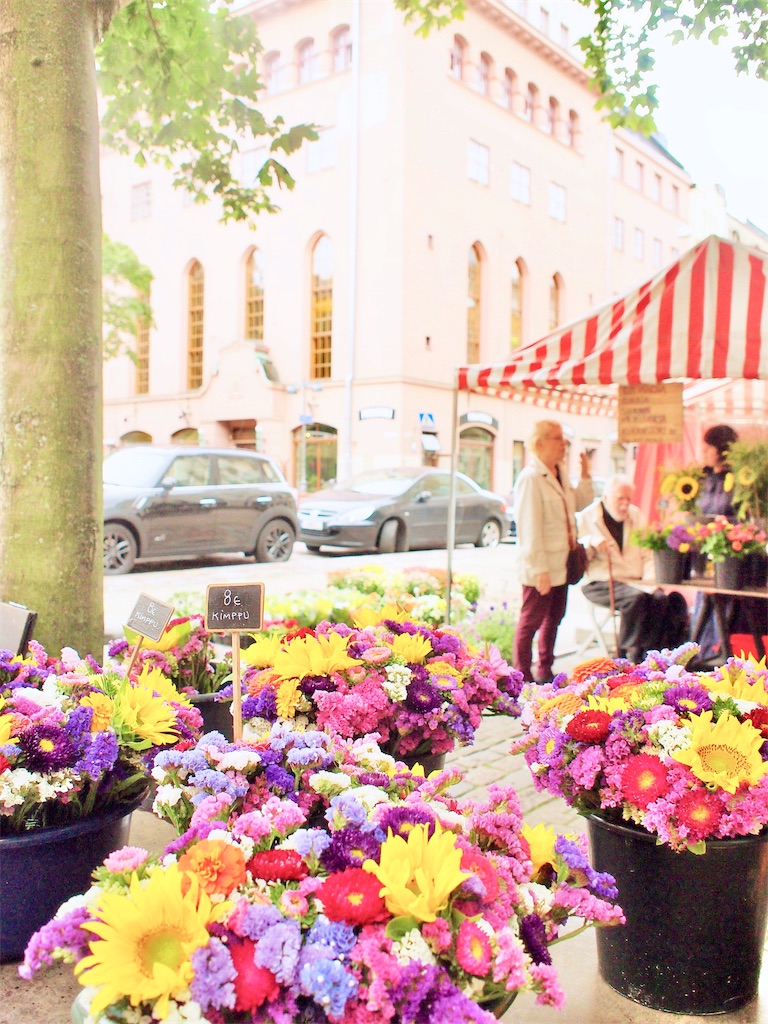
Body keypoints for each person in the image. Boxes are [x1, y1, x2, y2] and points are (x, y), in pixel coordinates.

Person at [513, 420, 594, 684]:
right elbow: (529, 529)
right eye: (558, 439)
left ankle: (545, 670)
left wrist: (585, 476)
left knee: (554, 618)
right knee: (531, 621)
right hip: (541, 566)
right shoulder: (531, 478)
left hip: (562, 563)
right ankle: (521, 677)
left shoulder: (558, 471)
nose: (564, 444)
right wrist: (540, 571)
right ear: (540, 444)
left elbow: (579, 505)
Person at [577, 475, 690, 663]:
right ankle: (628, 652)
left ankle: (655, 653)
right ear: (606, 498)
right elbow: (578, 551)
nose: (625, 504)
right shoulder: (586, 517)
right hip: (600, 581)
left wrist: (651, 581)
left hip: (636, 581)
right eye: (620, 499)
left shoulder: (635, 514)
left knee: (662, 599)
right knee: (636, 599)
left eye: (628, 499)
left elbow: (648, 554)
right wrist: (592, 543)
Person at [698, 424, 739, 516]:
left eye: (709, 446)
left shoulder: (738, 480)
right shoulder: (703, 477)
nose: (704, 450)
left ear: (722, 449)